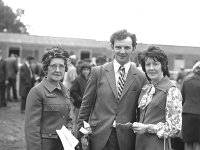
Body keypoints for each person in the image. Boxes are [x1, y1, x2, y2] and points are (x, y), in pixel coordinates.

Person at [77, 29, 147, 150]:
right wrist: (81, 135)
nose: (122, 51)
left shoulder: (141, 77)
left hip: (126, 140)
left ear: (133, 48)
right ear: (112, 47)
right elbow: (85, 107)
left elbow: (142, 113)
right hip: (98, 137)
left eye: (127, 47)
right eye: (118, 47)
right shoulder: (97, 72)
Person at [132, 46, 182, 150]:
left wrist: (148, 128)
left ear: (163, 66)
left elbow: (174, 128)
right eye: (147, 64)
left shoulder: (171, 91)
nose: (151, 68)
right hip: (139, 144)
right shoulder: (145, 88)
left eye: (155, 64)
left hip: (158, 145)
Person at [25, 47, 73, 150]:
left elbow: (68, 118)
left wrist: (69, 129)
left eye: (61, 66)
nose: (57, 70)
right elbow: (32, 129)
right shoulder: (37, 91)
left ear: (65, 69)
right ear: (46, 68)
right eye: (53, 66)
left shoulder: (65, 90)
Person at [181, 61, 200, 150]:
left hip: (187, 114)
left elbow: (182, 98)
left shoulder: (186, 80)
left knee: (188, 142)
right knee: (198, 142)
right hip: (199, 115)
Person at [70, 62, 91, 139]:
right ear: (81, 70)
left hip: (87, 105)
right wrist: (79, 99)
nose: (86, 71)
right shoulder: (78, 79)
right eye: (84, 69)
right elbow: (73, 91)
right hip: (79, 105)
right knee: (77, 123)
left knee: (85, 124)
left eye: (87, 70)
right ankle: (75, 139)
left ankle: (82, 138)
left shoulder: (89, 79)